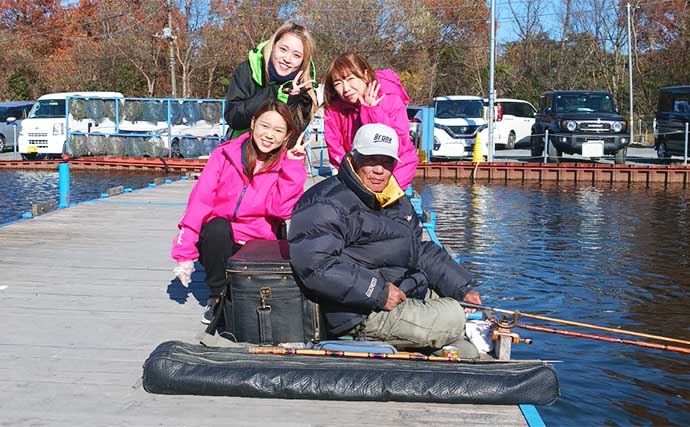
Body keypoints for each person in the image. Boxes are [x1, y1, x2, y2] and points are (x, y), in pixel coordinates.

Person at [288, 123, 482, 358]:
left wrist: (462, 286)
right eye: (371, 160)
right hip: (360, 313)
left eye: (387, 162)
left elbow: (419, 250)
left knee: (463, 311)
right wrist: (377, 291)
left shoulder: (395, 199)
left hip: (403, 290)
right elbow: (315, 265)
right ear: (354, 157)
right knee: (453, 317)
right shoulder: (327, 203)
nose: (379, 169)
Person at [173, 99, 309, 323]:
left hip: (259, 243)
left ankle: (243, 293)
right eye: (265, 126)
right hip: (220, 243)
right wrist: (184, 254)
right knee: (216, 226)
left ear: (286, 137)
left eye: (278, 130)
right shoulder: (225, 155)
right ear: (253, 123)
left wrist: (293, 167)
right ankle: (217, 297)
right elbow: (200, 201)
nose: (269, 135)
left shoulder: (285, 164)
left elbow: (282, 210)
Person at [321, 52, 419, 190]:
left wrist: (371, 111)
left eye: (350, 79)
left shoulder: (390, 100)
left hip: (395, 174)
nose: (346, 88)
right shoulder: (334, 111)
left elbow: (397, 145)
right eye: (338, 83)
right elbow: (336, 151)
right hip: (358, 176)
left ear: (365, 75)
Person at [224, 23, 317, 140]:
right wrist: (274, 93)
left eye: (296, 55)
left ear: (303, 61)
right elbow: (234, 118)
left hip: (279, 156)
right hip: (240, 150)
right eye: (283, 49)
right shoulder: (247, 69)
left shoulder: (306, 89)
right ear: (273, 46)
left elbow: (292, 139)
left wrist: (291, 100)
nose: (287, 59)